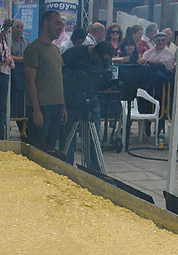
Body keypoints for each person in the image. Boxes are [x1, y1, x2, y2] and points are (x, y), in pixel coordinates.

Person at [60, 41, 114, 170]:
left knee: (93, 139)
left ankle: (95, 171)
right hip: (71, 101)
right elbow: (60, 75)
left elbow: (103, 79)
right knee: (68, 138)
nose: (103, 62)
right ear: (95, 53)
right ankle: (66, 169)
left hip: (91, 98)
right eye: (102, 59)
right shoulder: (74, 54)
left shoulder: (104, 61)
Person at [23, 10, 67, 148]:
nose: (60, 28)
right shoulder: (34, 49)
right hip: (42, 107)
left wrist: (63, 106)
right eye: (57, 23)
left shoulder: (56, 49)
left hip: (56, 106)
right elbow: (30, 82)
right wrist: (36, 110)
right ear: (46, 24)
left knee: (51, 148)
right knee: (38, 149)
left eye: (62, 24)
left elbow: (59, 79)